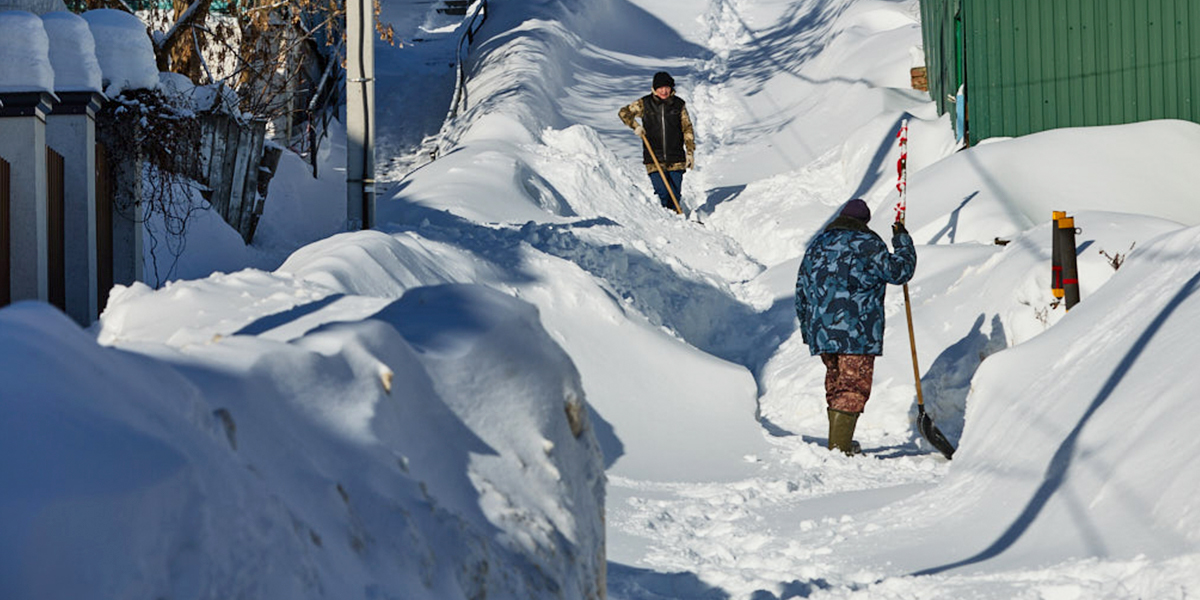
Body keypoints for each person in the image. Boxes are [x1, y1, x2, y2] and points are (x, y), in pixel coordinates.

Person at [794, 199, 916, 455]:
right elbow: (899, 272)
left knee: (836, 384)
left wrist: (809, 331)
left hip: (822, 332)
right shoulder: (868, 244)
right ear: (864, 222)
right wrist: (902, 241)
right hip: (857, 331)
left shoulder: (817, 245)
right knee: (852, 388)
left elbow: (801, 290)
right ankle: (838, 449)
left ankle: (840, 443)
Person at [618, 71, 695, 212]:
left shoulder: (679, 105)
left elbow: (687, 128)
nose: (664, 91)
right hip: (653, 156)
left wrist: (690, 152)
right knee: (663, 192)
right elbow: (624, 113)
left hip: (676, 156)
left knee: (675, 194)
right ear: (654, 88)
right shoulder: (645, 103)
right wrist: (636, 126)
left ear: (671, 88)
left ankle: (678, 223)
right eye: (660, 88)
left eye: (667, 87)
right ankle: (667, 219)